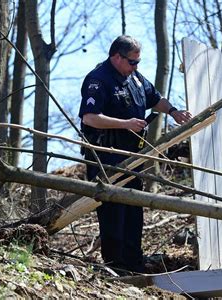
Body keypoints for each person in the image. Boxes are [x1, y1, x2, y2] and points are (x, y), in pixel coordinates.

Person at [79, 35, 192, 273]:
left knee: (133, 209)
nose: (136, 67)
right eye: (132, 62)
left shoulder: (136, 79)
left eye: (138, 62)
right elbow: (89, 117)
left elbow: (155, 98)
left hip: (133, 156)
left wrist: (173, 111)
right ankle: (115, 265)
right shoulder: (98, 80)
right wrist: (125, 123)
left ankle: (133, 262)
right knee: (113, 209)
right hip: (106, 156)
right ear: (116, 57)